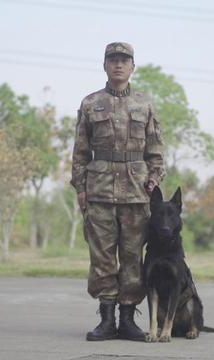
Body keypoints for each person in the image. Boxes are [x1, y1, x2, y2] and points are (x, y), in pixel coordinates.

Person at [70, 42, 165, 341]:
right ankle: (106, 321)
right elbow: (80, 153)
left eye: (124, 60)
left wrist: (154, 179)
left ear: (133, 66)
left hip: (137, 194)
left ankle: (128, 320)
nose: (119, 65)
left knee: (133, 257)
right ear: (105, 66)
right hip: (99, 192)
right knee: (102, 258)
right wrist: (80, 189)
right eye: (113, 60)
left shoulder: (145, 104)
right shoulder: (90, 103)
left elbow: (156, 151)